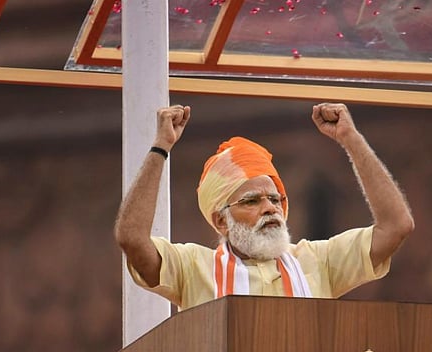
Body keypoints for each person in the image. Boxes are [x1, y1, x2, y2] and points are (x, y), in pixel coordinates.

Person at [115, 102, 414, 310]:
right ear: (221, 221)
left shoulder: (317, 261)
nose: (270, 208)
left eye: (275, 199)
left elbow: (396, 226)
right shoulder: (193, 267)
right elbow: (132, 238)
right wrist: (160, 148)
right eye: (252, 201)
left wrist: (351, 139)